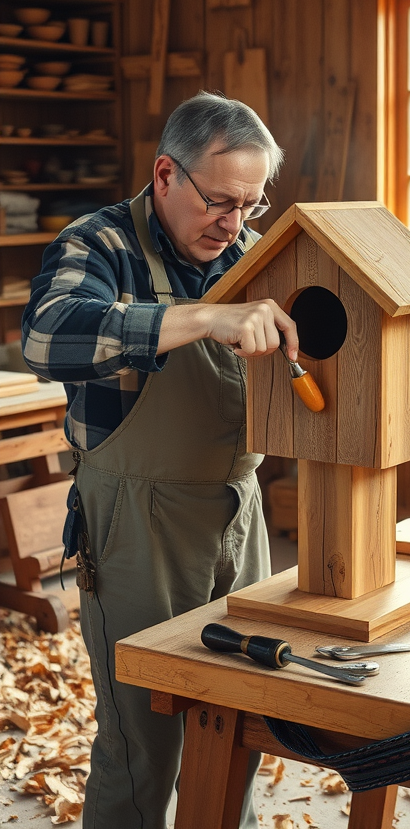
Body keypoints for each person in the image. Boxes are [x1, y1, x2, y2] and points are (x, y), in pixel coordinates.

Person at [21, 92, 299, 829]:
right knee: (145, 744)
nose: (233, 224)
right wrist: (206, 318)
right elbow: (48, 338)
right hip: (136, 520)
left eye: (251, 204)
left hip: (239, 514)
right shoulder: (100, 245)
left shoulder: (246, 252)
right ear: (167, 174)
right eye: (219, 201)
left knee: (239, 722)